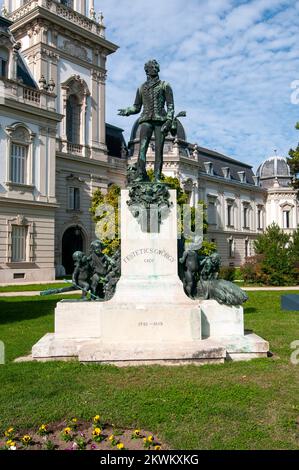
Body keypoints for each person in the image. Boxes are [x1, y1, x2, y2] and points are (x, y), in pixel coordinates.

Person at [118, 59, 174, 182]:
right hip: (146, 120)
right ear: (147, 70)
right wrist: (127, 111)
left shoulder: (165, 85)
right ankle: (141, 174)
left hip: (160, 120)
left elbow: (170, 106)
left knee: (159, 150)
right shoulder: (141, 88)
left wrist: (169, 121)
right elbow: (136, 107)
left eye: (156, 67)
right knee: (142, 148)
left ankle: (157, 177)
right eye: (152, 67)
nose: (155, 68)